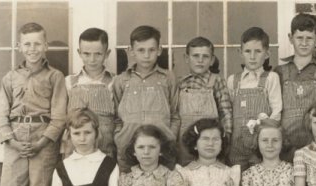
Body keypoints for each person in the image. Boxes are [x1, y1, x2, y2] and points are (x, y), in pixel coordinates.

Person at [0, 22, 67, 186]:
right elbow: (2, 115)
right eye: (27, 44)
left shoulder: (55, 77)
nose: (32, 48)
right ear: (19, 47)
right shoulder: (10, 77)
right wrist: (12, 140)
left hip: (43, 142)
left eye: (37, 43)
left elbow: (59, 117)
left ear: (45, 45)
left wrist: (42, 142)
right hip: (15, 141)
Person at [113, 25, 179, 172]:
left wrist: (170, 136)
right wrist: (120, 138)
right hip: (128, 147)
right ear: (131, 51)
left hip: (162, 147)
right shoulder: (122, 80)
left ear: (159, 50)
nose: (146, 55)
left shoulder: (168, 78)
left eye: (151, 50)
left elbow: (175, 114)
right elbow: (116, 117)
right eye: (141, 50)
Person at [276, 13, 316, 161]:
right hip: (286, 143)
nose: (304, 43)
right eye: (299, 38)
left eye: (309, 38)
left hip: (314, 142)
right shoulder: (281, 71)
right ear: (291, 38)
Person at [226, 27, 282, 170]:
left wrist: (266, 130)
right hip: (237, 145)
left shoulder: (271, 78)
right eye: (247, 51)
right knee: (237, 182)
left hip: (262, 144)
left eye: (258, 51)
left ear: (267, 53)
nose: (252, 56)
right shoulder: (233, 80)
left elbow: (276, 112)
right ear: (240, 53)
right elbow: (228, 112)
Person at [178, 36, 232, 166]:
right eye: (195, 56)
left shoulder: (216, 81)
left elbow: (226, 112)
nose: (200, 60)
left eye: (205, 56)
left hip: (210, 142)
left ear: (212, 60)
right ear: (186, 58)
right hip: (185, 142)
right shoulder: (181, 83)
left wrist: (226, 137)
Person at [64, 27, 116, 158]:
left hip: (106, 147)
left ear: (107, 53)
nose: (92, 59)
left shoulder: (115, 82)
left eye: (98, 54)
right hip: (75, 148)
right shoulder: (69, 82)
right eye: (86, 54)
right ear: (79, 53)